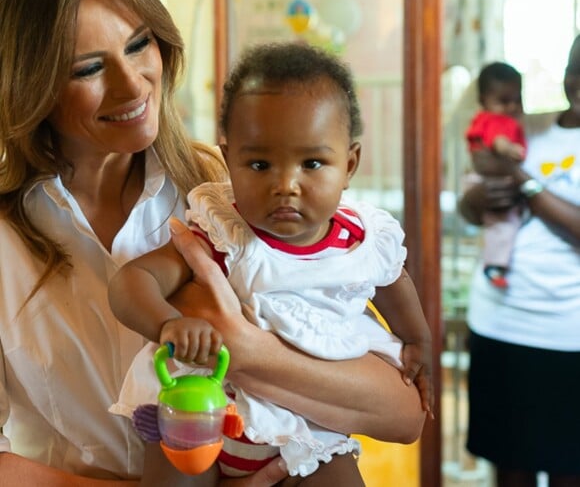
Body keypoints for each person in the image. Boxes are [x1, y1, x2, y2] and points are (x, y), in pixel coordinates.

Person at [0, 0, 426, 487]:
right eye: (88, 68)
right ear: (28, 85)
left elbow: (403, 413)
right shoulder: (9, 236)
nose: (133, 85)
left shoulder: (231, 195)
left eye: (138, 44)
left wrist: (249, 351)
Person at [108, 42, 433, 483]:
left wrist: (418, 341)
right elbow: (133, 281)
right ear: (229, 161)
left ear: (350, 164)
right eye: (259, 164)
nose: (286, 184)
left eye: (312, 163)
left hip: (310, 431)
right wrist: (167, 323)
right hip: (204, 409)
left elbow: (392, 279)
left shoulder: (362, 240)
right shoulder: (223, 231)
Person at [459, 36, 580, 487]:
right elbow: (474, 210)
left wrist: (526, 182)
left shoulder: (519, 157)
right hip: (500, 324)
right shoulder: (523, 128)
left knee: (571, 471)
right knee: (510, 470)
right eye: (575, 70)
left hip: (570, 335)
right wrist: (471, 199)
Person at [464, 61, 526, 289]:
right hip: (485, 181)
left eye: (517, 100)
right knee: (502, 225)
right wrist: (511, 150)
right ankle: (494, 265)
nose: (511, 106)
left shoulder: (501, 118)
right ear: (483, 100)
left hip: (486, 180)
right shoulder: (493, 120)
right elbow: (498, 141)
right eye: (503, 101)